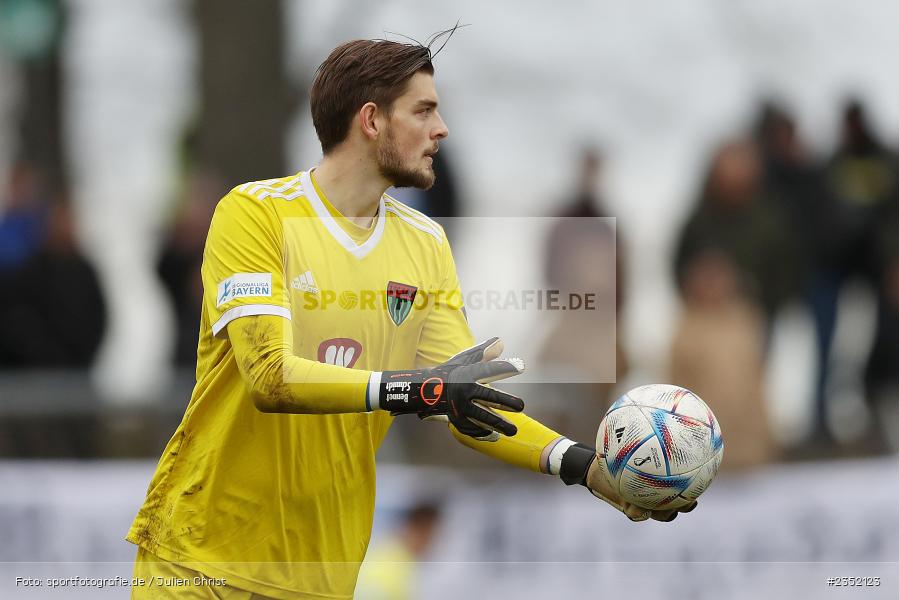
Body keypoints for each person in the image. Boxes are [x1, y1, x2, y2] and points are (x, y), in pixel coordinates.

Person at [127, 32, 695, 599]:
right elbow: (270, 377)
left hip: (319, 579)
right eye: (423, 111)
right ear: (371, 120)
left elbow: (465, 402)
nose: (441, 129)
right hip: (198, 562)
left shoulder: (425, 244)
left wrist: (585, 467)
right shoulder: (254, 214)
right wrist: (411, 389)